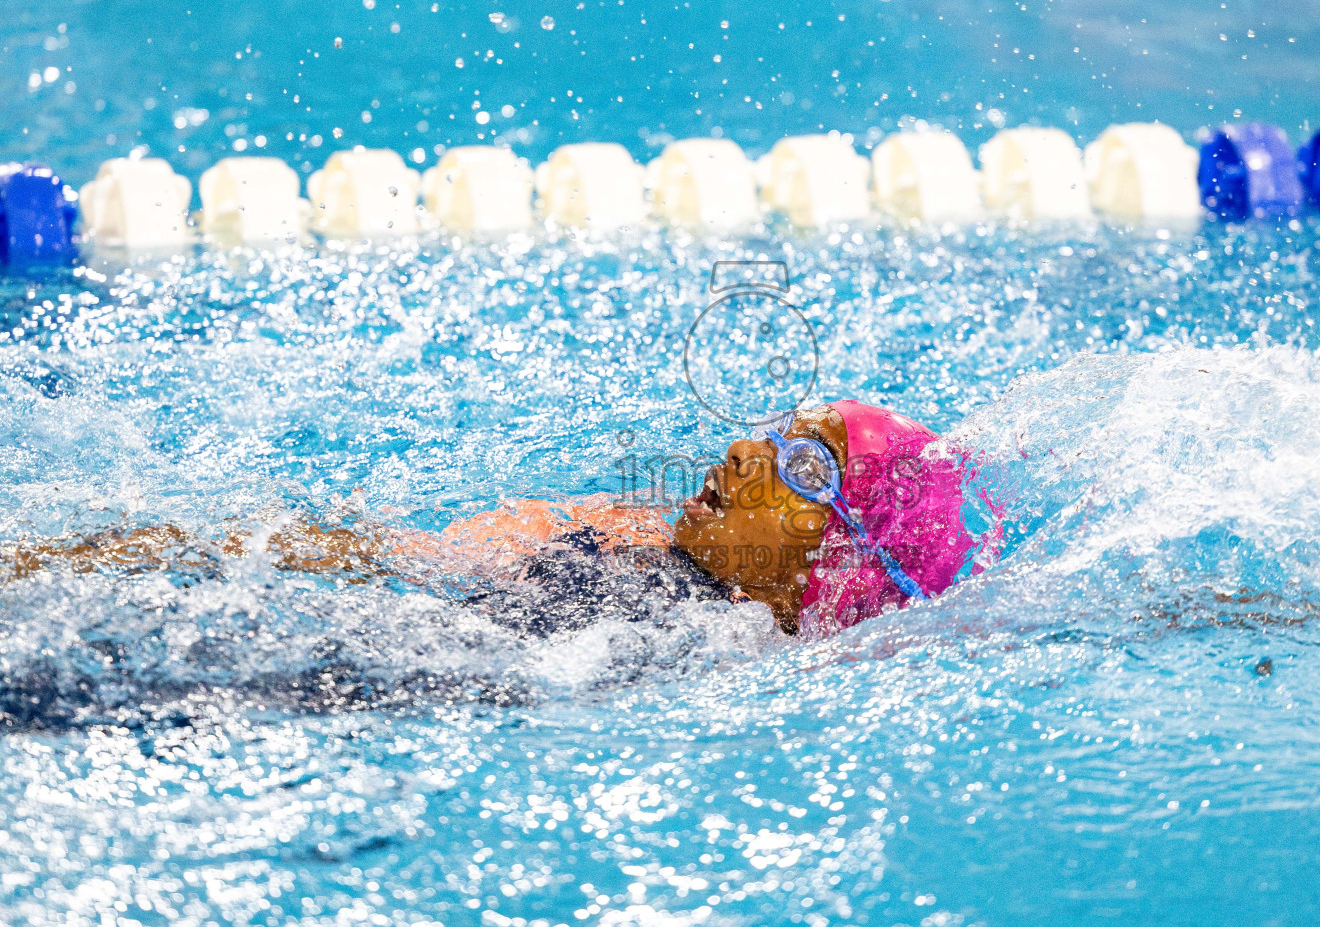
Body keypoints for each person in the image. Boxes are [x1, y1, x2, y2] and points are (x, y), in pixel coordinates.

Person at [1, 401, 978, 636]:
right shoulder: (641, 531)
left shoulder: (716, 645)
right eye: (776, 428)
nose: (746, 451)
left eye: (804, 463)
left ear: (838, 567)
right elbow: (420, 558)